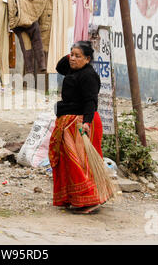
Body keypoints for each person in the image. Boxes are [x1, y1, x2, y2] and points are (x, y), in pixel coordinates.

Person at [48, 41, 106, 214]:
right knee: (68, 162)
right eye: (71, 54)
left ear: (88, 59)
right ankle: (76, 199)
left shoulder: (88, 76)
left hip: (82, 123)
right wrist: (73, 55)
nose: (72, 59)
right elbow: (60, 67)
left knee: (81, 163)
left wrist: (86, 124)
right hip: (71, 121)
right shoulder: (74, 69)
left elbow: (91, 101)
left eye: (77, 56)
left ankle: (91, 200)